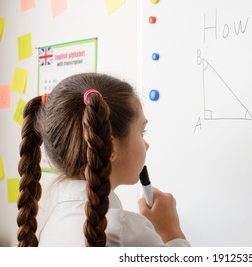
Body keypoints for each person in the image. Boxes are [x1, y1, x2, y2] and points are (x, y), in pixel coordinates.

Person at [16, 73, 189, 247]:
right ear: (111, 147)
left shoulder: (52, 224)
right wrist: (170, 231)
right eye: (141, 132)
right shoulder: (125, 231)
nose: (147, 145)